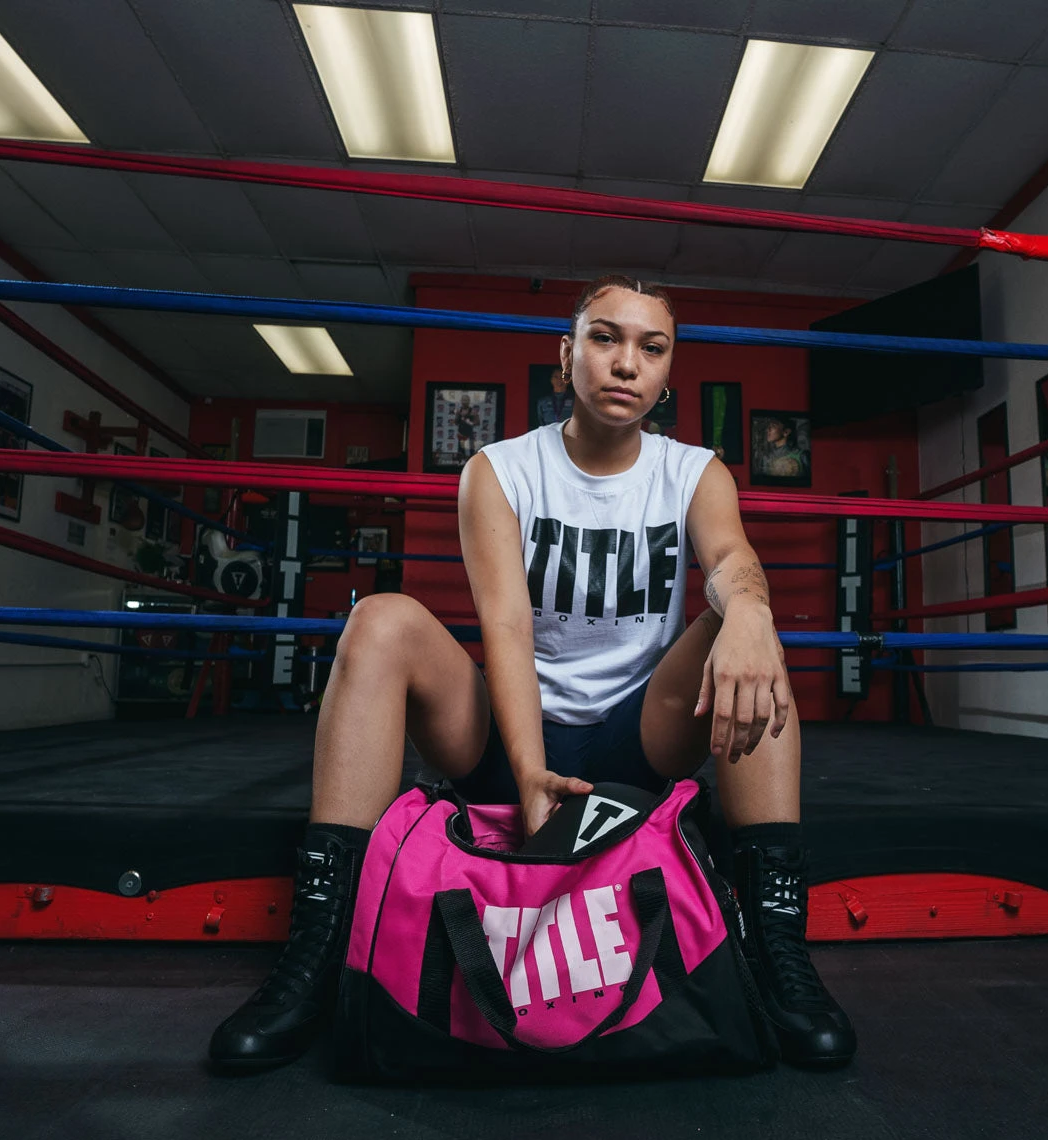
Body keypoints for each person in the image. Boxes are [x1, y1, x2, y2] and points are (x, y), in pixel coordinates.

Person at [209, 275, 857, 1072]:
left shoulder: (693, 470)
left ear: (666, 374)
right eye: (604, 338)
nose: (626, 362)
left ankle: (777, 948)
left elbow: (729, 558)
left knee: (747, 630)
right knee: (379, 620)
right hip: (506, 733)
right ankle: (317, 954)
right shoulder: (500, 468)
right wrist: (528, 774)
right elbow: (508, 628)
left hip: (637, 739)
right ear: (565, 356)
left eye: (651, 348)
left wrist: (752, 612)